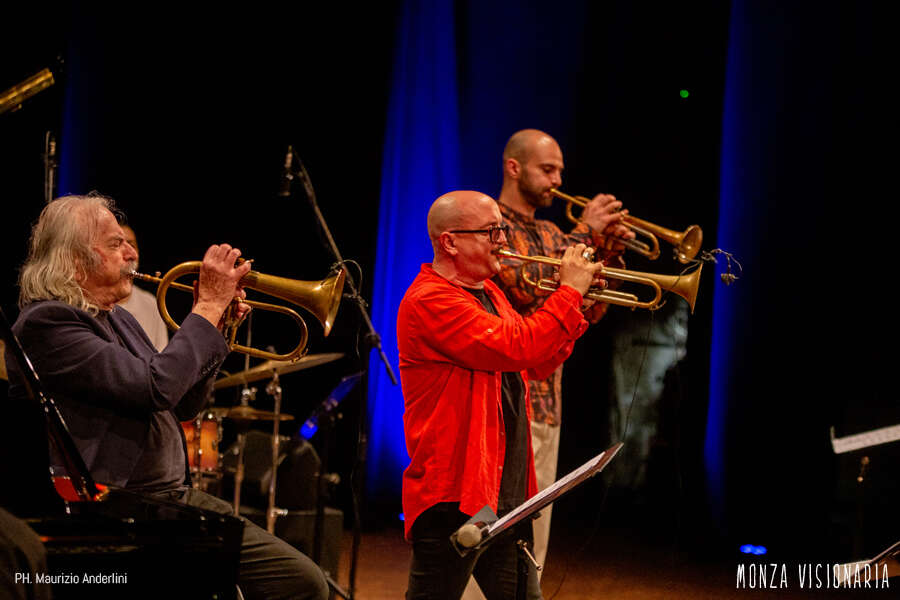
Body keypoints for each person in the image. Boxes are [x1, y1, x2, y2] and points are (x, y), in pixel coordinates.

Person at [5, 194, 328, 600]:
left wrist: (220, 326)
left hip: (169, 503)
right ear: (73, 260)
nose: (131, 252)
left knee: (304, 579)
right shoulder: (48, 323)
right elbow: (154, 387)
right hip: (119, 509)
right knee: (297, 583)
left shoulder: (116, 318)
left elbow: (182, 402)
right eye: (115, 244)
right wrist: (207, 308)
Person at [398, 190, 604, 600]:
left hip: (503, 496)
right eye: (491, 231)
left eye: (502, 229)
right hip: (455, 495)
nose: (503, 240)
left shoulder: (490, 292)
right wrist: (568, 295)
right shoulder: (430, 299)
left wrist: (578, 303)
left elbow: (535, 362)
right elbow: (517, 345)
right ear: (450, 241)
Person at [491, 129, 634, 573]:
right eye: (547, 169)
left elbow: (587, 314)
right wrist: (587, 232)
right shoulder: (488, 221)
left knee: (533, 541)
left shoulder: (554, 232)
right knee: (493, 536)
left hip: (548, 404)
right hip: (502, 402)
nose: (557, 179)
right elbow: (518, 281)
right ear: (514, 168)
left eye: (560, 171)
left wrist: (606, 256)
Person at [116, 223, 169, 351]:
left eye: (132, 245)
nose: (129, 254)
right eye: (117, 246)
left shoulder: (151, 303)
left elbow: (162, 357)